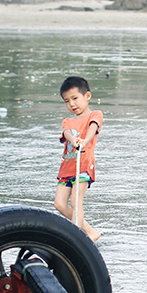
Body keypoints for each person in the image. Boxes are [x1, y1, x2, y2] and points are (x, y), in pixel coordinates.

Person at [54, 76, 103, 242]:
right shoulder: (68, 121)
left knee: (76, 201)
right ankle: (90, 231)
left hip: (83, 165)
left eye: (75, 98)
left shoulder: (95, 114)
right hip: (67, 167)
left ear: (87, 96)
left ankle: (77, 238)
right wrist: (73, 139)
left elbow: (93, 128)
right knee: (60, 204)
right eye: (67, 101)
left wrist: (84, 141)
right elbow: (67, 132)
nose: (72, 104)